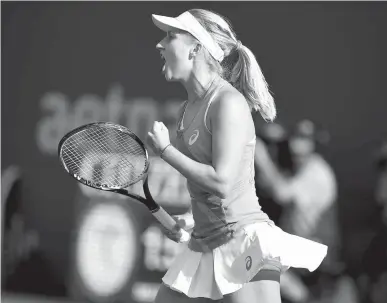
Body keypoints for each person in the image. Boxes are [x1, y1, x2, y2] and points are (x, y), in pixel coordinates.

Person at [146, 9, 327, 303]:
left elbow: (222, 182)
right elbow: (215, 193)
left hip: (242, 242)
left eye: (170, 36)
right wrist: (193, 220)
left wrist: (166, 151)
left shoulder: (227, 101)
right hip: (203, 244)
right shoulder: (185, 111)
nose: (160, 44)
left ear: (195, 48)